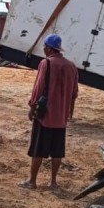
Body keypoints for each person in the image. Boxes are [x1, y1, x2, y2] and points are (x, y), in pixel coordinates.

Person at [21, 33, 78, 192]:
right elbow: (74, 93)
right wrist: (69, 113)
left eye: (45, 47)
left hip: (45, 116)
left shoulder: (46, 63)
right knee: (57, 152)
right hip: (61, 118)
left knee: (38, 148)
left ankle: (32, 181)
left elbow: (38, 89)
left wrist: (32, 107)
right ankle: (53, 182)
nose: (43, 49)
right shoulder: (72, 66)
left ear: (48, 48)